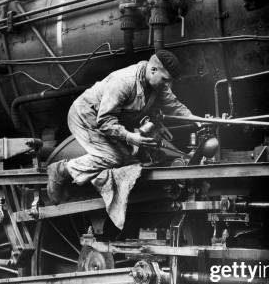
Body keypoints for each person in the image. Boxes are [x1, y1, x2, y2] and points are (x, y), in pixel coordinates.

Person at [46, 49, 196, 206]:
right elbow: (104, 121)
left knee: (129, 160)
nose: (168, 85)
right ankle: (61, 170)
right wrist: (130, 137)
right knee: (113, 158)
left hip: (111, 121)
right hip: (86, 117)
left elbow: (174, 105)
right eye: (165, 80)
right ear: (153, 70)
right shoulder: (124, 82)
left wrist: (195, 120)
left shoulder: (158, 84)